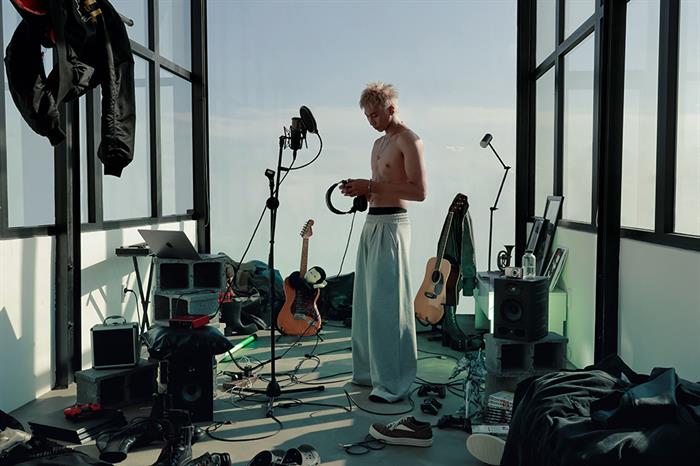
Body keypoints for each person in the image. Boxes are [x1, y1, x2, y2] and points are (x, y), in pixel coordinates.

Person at [341, 82, 427, 402]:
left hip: (393, 225)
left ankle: (393, 384)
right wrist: (361, 190)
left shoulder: (409, 140)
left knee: (389, 305)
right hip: (372, 222)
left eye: (375, 115)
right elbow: (379, 185)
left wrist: (372, 185)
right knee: (367, 303)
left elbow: (419, 192)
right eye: (367, 116)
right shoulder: (378, 143)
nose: (371, 121)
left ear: (391, 109)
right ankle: (369, 374)